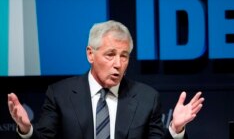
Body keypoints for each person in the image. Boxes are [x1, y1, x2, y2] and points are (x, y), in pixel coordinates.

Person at [8, 20, 204, 139]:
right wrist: (26, 130)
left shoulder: (146, 98)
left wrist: (175, 130)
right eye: (110, 54)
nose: (118, 64)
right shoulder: (60, 94)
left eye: (124, 56)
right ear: (90, 54)